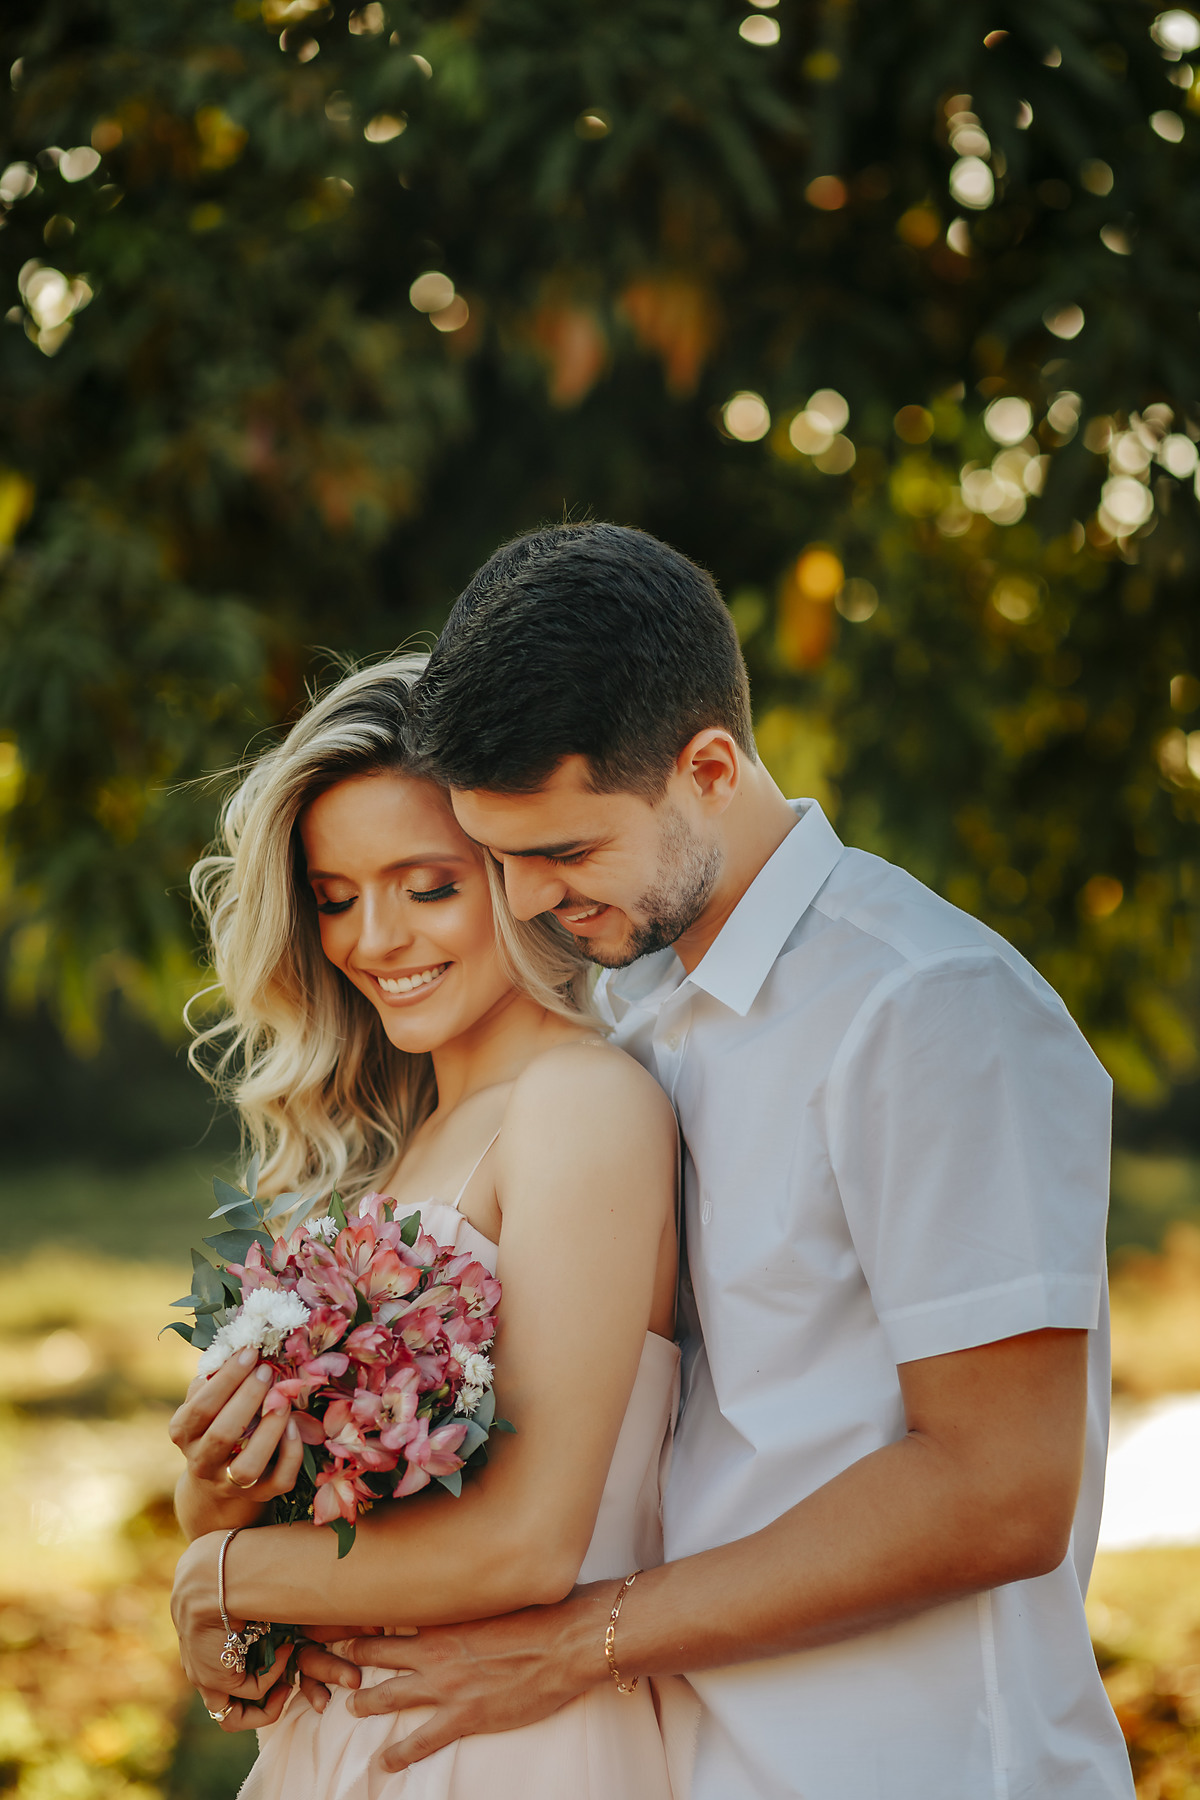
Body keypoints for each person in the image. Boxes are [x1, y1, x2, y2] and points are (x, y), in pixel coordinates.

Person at [294, 523, 1136, 1799]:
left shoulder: (928, 1007)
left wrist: (583, 1642)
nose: (525, 904)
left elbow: (997, 1488)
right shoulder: (638, 1020)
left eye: (564, 853)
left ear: (707, 767)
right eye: (499, 858)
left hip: (923, 1765)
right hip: (693, 1758)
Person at [168, 655, 695, 1798]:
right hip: (368, 1739)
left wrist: (218, 1574)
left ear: (514, 874)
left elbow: (530, 1544)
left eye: (428, 885)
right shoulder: (399, 1150)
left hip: (514, 1749)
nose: (376, 940)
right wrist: (217, 1492)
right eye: (337, 895)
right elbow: (343, 1518)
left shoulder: (582, 1104)